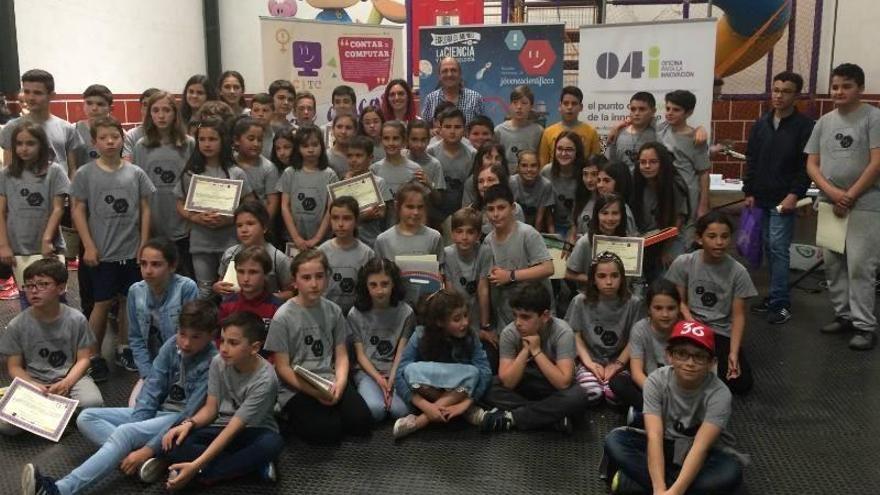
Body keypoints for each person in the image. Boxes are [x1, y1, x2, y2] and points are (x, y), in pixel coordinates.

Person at [20, 300, 217, 495]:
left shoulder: (213, 362)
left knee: (124, 433)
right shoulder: (171, 346)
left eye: (195, 337)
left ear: (211, 336)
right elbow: (151, 390)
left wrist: (147, 448)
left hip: (181, 422)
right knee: (87, 417)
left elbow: (188, 415)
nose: (186, 342)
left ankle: (59, 490)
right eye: (182, 334)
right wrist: (136, 427)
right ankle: (139, 462)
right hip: (160, 413)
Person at [603, 320, 745, 495]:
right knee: (615, 440)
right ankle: (671, 485)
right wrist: (658, 488)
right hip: (665, 442)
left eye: (699, 356)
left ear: (712, 363)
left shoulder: (720, 394)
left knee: (730, 470)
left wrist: (675, 492)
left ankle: (633, 485)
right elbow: (654, 436)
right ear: (669, 356)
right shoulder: (655, 381)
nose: (690, 363)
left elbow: (701, 446)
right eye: (682, 354)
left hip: (698, 451)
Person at [152, 311, 284, 490]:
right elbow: (211, 409)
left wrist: (195, 466)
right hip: (220, 426)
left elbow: (234, 429)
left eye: (233, 343)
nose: (224, 348)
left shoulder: (266, 379)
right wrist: (189, 424)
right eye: (222, 340)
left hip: (253, 431)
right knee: (176, 439)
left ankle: (204, 476)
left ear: (254, 348)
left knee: (271, 444)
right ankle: (249, 467)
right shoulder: (218, 362)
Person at [72, 116, 156, 381]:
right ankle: (92, 355)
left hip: (131, 251)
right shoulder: (85, 174)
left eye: (115, 137)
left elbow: (144, 208)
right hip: (102, 252)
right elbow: (77, 209)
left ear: (122, 139)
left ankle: (124, 347)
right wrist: (88, 246)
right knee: (101, 303)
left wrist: (143, 244)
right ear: (94, 142)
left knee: (127, 301)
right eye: (103, 138)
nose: (110, 142)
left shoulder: (136, 173)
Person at [806, 63, 880, 350]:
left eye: (846, 86)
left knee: (861, 265)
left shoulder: (873, 118)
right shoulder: (824, 122)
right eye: (835, 86)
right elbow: (812, 164)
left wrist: (849, 195)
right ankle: (844, 315)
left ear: (860, 88)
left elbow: (876, 162)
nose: (839, 91)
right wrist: (833, 193)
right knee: (833, 263)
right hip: (830, 201)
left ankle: (864, 326)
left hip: (865, 202)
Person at [265, 250, 373, 445]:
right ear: (295, 281)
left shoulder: (333, 310)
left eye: (319, 276)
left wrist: (340, 384)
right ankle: (287, 414)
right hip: (297, 386)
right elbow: (282, 368)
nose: (314, 284)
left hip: (328, 380)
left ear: (327, 277)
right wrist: (314, 393)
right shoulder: (283, 317)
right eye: (306, 278)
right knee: (327, 433)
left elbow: (341, 355)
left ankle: (327, 412)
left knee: (362, 423)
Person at [0, 258, 102, 437]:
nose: (34, 290)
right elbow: (14, 367)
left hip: (71, 378)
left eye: (42, 284)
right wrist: (33, 385)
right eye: (29, 285)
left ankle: (48, 416)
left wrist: (67, 382)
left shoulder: (76, 319)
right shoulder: (17, 325)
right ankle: (58, 416)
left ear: (61, 288)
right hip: (34, 380)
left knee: (93, 403)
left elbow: (84, 358)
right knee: (6, 426)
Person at [743, 72, 815, 325]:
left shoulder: (806, 127)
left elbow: (806, 166)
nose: (779, 95)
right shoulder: (761, 123)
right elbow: (751, 159)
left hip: (784, 198)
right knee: (768, 248)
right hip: (760, 197)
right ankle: (774, 297)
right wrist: (749, 191)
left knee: (778, 248)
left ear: (796, 95)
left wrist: (795, 195)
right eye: (775, 90)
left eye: (785, 91)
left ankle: (781, 303)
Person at [665, 211, 757, 394]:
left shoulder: (738, 272)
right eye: (712, 236)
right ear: (699, 238)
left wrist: (734, 352)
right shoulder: (684, 262)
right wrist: (691, 322)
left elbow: (738, 316)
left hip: (719, 332)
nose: (719, 242)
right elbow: (679, 301)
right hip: (689, 326)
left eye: (724, 237)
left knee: (741, 382)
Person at [481, 281, 589, 433]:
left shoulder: (563, 332)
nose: (518, 323)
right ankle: (552, 417)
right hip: (524, 383)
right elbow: (508, 383)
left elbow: (563, 383)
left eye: (525, 317)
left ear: (544, 316)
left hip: (550, 386)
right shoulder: (509, 333)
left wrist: (536, 350)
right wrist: (525, 351)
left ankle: (513, 417)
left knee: (578, 396)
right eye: (515, 316)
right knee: (487, 386)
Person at [392, 289, 492, 439]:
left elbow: (485, 370)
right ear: (440, 322)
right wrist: (425, 406)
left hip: (460, 389)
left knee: (474, 373)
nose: (465, 322)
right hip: (429, 389)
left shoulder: (471, 336)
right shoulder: (420, 335)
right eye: (457, 319)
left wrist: (467, 402)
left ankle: (419, 422)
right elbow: (400, 373)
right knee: (410, 370)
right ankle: (463, 412)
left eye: (465, 316)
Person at [177, 117, 254, 298]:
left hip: (230, 242)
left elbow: (250, 204)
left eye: (212, 139)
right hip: (200, 242)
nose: (207, 144)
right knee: (204, 290)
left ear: (223, 141)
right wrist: (195, 218)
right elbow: (179, 204)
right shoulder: (191, 172)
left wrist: (231, 218)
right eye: (202, 139)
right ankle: (205, 326)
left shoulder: (236, 172)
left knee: (230, 289)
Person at [0, 122, 69, 308]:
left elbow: (58, 208)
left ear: (42, 145)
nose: (24, 148)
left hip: (49, 248)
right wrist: (4, 245)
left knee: (55, 300)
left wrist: (47, 239)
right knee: (28, 300)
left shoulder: (54, 172)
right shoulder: (6, 175)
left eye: (30, 143)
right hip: (19, 249)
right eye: (19, 143)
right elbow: (1, 211)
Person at [566, 252, 642, 405]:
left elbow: (636, 338)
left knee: (614, 395)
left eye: (614, 276)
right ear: (593, 279)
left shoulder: (633, 303)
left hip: (620, 361)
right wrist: (589, 363)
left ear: (622, 278)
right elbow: (575, 334)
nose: (609, 282)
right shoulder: (580, 301)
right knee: (591, 392)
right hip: (590, 360)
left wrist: (617, 365)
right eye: (601, 276)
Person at [133, 91, 195, 273]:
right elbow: (138, 188)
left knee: (184, 274)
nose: (161, 115)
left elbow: (194, 183)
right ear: (149, 113)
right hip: (154, 220)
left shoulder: (188, 143)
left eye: (167, 110)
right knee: (157, 274)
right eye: (156, 110)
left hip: (182, 222)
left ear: (175, 113)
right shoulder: (141, 146)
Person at [349, 257, 415, 422]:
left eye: (385, 284)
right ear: (366, 286)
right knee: (375, 411)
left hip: (395, 370)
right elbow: (360, 355)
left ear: (394, 284)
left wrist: (391, 380)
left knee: (401, 412)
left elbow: (401, 351)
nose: (379, 290)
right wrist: (380, 380)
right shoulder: (355, 313)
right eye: (373, 285)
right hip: (367, 372)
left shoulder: (406, 312)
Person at [127, 238, 199, 389]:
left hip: (184, 369)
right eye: (143, 263)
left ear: (172, 266)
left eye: (156, 264)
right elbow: (136, 338)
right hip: (152, 369)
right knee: (136, 406)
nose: (148, 270)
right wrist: (148, 374)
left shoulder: (186, 288)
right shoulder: (135, 291)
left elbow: (192, 338)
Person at [483, 184, 554, 331]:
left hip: (536, 315)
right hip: (507, 315)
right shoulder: (488, 241)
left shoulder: (527, 233)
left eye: (501, 208)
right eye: (490, 209)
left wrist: (511, 275)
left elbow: (548, 268)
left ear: (513, 208)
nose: (495, 214)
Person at [609, 278, 681, 412]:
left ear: (679, 308)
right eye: (658, 308)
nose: (665, 314)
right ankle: (660, 413)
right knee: (618, 383)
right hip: (649, 385)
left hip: (680, 389)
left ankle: (646, 414)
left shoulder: (685, 331)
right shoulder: (640, 329)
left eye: (671, 308)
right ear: (649, 309)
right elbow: (637, 373)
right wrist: (659, 396)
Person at [0, 69, 77, 178]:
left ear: (51, 95)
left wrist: (71, 193)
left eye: (37, 93)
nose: (31, 98)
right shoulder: (11, 128)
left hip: (59, 192)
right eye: (27, 92)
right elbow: (8, 171)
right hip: (24, 192)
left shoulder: (67, 128)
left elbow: (72, 169)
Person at [443, 207, 493, 369]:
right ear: (452, 234)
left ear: (478, 235)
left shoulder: (484, 252)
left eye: (470, 232)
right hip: (455, 314)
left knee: (481, 356)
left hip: (476, 314)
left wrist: (484, 326)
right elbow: (449, 292)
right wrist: (456, 322)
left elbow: (483, 288)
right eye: (459, 231)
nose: (464, 237)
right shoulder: (447, 254)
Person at [632, 142, 690, 281]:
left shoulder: (675, 185)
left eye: (653, 162)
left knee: (666, 278)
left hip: (670, 240)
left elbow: (677, 223)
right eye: (643, 162)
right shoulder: (636, 184)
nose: (647, 166)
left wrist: (665, 251)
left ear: (662, 163)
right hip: (644, 240)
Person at [215, 201, 292, 299]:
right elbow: (221, 282)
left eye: (250, 224)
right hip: (234, 311)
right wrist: (217, 287)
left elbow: (290, 292)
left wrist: (268, 299)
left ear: (264, 227)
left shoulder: (278, 258)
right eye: (239, 225)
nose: (244, 230)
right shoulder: (229, 253)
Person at [217, 247, 284, 360]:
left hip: (266, 369)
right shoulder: (227, 305)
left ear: (266, 274)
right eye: (241, 272)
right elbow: (218, 339)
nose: (246, 278)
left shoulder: (277, 309)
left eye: (253, 272)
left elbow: (279, 350)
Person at [279, 124, 338, 251]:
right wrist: (296, 238)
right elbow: (285, 206)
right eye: (305, 146)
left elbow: (331, 209)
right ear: (298, 148)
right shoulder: (290, 172)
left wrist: (317, 238)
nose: (310, 149)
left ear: (322, 146)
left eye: (315, 145)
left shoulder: (330, 174)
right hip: (293, 240)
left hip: (322, 240)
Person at [317, 196, 375, 315]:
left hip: (356, 316)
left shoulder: (367, 253)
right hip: (327, 315)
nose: (340, 224)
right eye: (335, 218)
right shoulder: (322, 252)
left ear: (356, 220)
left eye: (347, 218)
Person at [566, 194, 630, 286]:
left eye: (615, 213)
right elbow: (568, 274)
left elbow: (635, 278)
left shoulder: (629, 241)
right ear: (597, 215)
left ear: (622, 215)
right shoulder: (585, 242)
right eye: (604, 213)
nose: (610, 218)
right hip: (591, 295)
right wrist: (597, 280)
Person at [427, 107, 475, 219]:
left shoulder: (473, 154)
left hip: (463, 212)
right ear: (440, 129)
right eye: (447, 127)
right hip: (435, 212)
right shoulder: (430, 152)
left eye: (457, 127)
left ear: (464, 129)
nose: (452, 131)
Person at [344, 136, 391, 247]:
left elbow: (380, 213)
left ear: (370, 158)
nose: (353, 160)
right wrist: (364, 215)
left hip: (371, 242)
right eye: (350, 156)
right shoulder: (342, 183)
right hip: (346, 242)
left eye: (359, 155)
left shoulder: (379, 183)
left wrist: (352, 217)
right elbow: (338, 216)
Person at [538, 86, 601, 167]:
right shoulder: (548, 132)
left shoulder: (591, 132)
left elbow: (595, 164)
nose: (570, 107)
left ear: (581, 107)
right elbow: (543, 164)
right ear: (560, 106)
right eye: (566, 103)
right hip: (554, 178)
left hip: (581, 178)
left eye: (574, 104)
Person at [231, 116, 281, 219]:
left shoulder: (269, 168)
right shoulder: (229, 162)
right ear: (237, 140)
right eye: (251, 139)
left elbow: (272, 203)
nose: (256, 144)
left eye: (260, 140)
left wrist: (263, 225)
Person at [543, 131, 586, 237]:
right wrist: (553, 237)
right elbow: (545, 208)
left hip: (579, 227)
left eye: (569, 150)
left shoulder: (585, 173)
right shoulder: (546, 171)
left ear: (577, 152)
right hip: (553, 226)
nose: (563, 154)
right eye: (560, 149)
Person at [420, 57, 486, 125]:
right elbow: (425, 129)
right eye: (445, 71)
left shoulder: (475, 99)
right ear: (439, 76)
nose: (449, 74)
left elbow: (483, 128)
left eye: (453, 70)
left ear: (460, 74)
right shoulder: (430, 99)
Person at [605, 91, 659, 173]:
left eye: (642, 109)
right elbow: (610, 164)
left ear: (653, 111)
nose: (636, 113)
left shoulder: (659, 134)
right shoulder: (618, 132)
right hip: (623, 183)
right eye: (633, 109)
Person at [495, 85, 544, 172]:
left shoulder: (538, 131)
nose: (519, 107)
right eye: (515, 102)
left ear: (531, 106)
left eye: (524, 103)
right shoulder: (499, 131)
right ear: (510, 105)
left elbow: (541, 158)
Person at [369, 120, 422, 198]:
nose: (391, 143)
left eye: (395, 138)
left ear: (404, 141)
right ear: (381, 141)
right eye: (386, 138)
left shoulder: (415, 169)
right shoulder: (374, 169)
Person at [509, 149, 554, 231]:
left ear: (539, 167)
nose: (529, 169)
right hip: (514, 227)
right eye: (524, 165)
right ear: (518, 167)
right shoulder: (511, 182)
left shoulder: (545, 185)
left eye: (533, 165)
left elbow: (539, 219)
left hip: (534, 227)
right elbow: (510, 214)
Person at [72, 84, 113, 168]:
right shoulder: (73, 130)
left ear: (110, 108)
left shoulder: (120, 134)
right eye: (89, 103)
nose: (94, 108)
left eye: (100, 104)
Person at [461, 141, 507, 208]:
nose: (493, 162)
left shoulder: (510, 180)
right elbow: (466, 212)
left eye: (497, 158)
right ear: (480, 160)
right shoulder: (471, 181)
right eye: (488, 158)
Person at [123, 88, 160, 160]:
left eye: (153, 105)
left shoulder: (172, 134)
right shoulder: (132, 135)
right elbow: (127, 165)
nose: (148, 109)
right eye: (145, 105)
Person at [248, 94, 276, 159]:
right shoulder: (242, 136)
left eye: (265, 110)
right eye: (256, 110)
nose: (260, 114)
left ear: (273, 114)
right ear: (250, 113)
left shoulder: (277, 137)